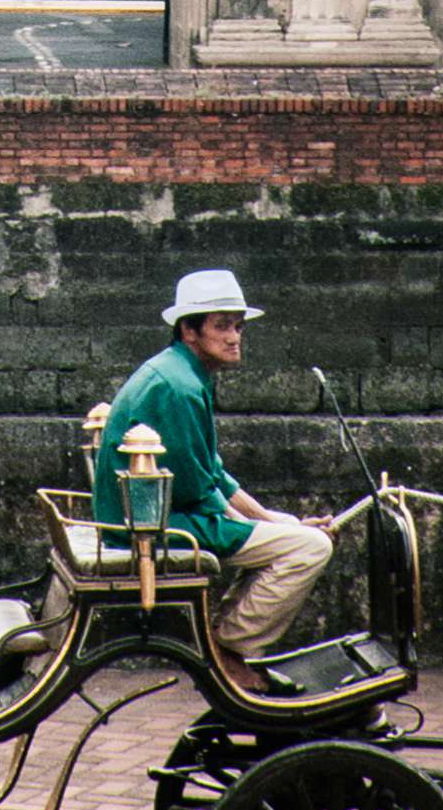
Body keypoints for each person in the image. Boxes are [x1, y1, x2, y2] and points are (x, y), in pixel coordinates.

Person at [91, 266, 344, 665]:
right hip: (151, 524)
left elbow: (212, 473)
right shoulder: (180, 387)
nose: (234, 338)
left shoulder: (181, 372)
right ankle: (230, 648)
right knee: (310, 548)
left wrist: (274, 520)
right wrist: (267, 527)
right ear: (189, 330)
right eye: (222, 326)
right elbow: (198, 492)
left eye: (239, 327)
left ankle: (224, 640)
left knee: (293, 534)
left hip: (154, 513)